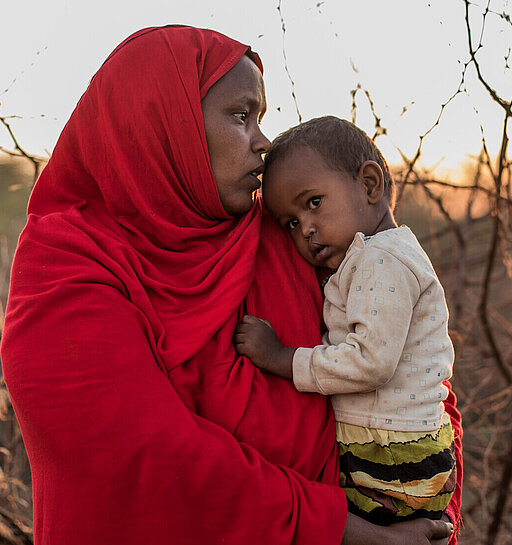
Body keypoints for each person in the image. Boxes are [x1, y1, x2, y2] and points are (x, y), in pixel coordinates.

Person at [0, 26, 461, 544]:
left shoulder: (282, 235)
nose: (264, 143)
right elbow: (147, 455)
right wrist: (347, 532)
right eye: (242, 117)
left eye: (260, 119)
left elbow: (412, 371)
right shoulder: (66, 271)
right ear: (163, 123)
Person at [236, 116, 458, 525]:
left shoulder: (383, 260)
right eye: (291, 223)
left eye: (314, 203)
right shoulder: (366, 259)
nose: (306, 229)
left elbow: (370, 362)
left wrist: (282, 357)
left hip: (395, 459)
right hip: (386, 449)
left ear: (370, 185)